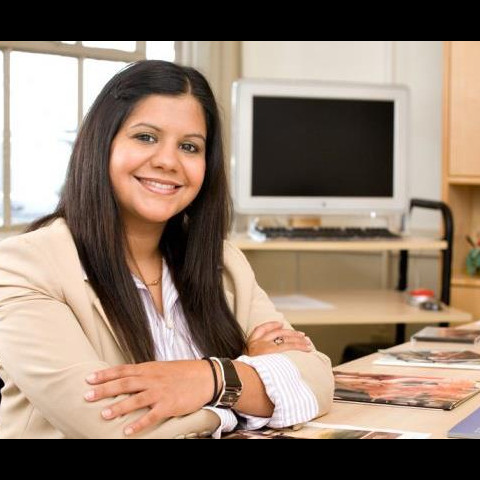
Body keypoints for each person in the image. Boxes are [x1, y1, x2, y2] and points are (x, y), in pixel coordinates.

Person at [0, 60, 334, 439]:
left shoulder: (224, 263)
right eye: (145, 137)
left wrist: (208, 377)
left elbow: (316, 380)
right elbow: (115, 426)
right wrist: (244, 391)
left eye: (189, 147)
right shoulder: (23, 269)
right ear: (101, 144)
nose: (167, 161)